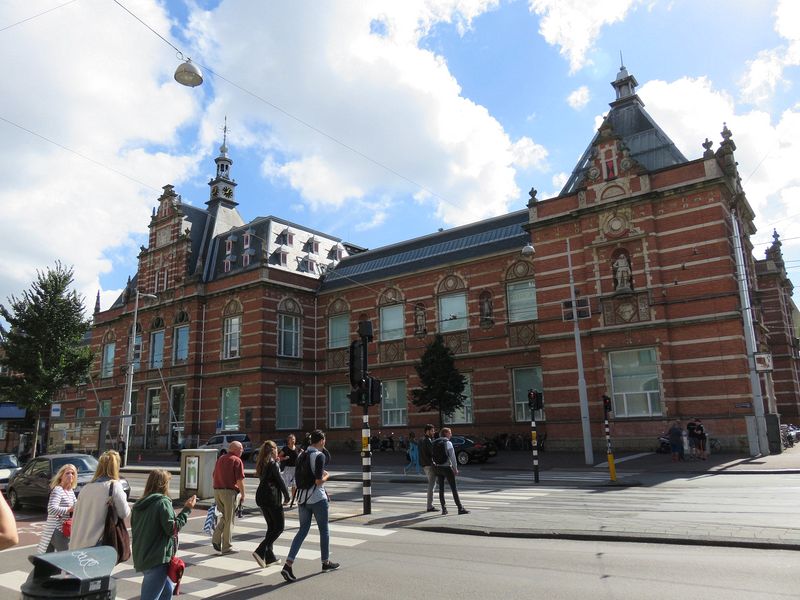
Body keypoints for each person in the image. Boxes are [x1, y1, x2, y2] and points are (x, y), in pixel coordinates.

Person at [281, 430, 339, 582]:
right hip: (317, 499)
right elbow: (318, 481)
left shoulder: (302, 455)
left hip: (302, 499)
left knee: (302, 531)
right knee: (324, 530)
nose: (325, 442)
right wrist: (327, 475)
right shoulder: (318, 456)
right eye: (324, 440)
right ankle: (325, 562)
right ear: (321, 441)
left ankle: (288, 564)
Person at [132, 469, 197, 600]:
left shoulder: (139, 504)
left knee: (167, 591)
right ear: (163, 485)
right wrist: (187, 509)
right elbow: (172, 529)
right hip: (157, 558)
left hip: (143, 555)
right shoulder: (163, 502)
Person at [70, 450, 131, 550]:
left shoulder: (86, 488)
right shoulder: (114, 486)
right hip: (99, 543)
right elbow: (124, 513)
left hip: (78, 543)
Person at [253, 440, 290, 567]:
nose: (278, 452)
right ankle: (260, 550)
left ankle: (270, 558)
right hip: (272, 498)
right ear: (273, 450)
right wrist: (287, 495)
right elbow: (280, 481)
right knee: (279, 527)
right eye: (276, 450)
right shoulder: (273, 464)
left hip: (262, 498)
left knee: (271, 527)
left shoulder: (262, 463)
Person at [212, 440, 246, 554]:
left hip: (217, 491)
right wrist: (243, 494)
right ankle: (227, 546)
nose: (243, 450)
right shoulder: (237, 460)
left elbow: (214, 475)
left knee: (225, 517)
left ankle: (216, 538)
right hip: (229, 493)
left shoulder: (220, 459)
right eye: (241, 448)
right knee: (229, 519)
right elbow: (239, 480)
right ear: (236, 450)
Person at [38, 463, 77, 553]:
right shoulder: (58, 490)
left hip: (63, 529)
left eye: (73, 473)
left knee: (46, 562)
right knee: (68, 557)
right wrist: (70, 509)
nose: (70, 475)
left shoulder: (70, 491)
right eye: (67, 473)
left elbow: (76, 506)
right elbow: (51, 509)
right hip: (56, 529)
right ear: (61, 476)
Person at [431, 428, 469, 515]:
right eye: (450, 433)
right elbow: (453, 457)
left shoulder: (435, 442)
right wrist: (455, 468)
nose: (451, 434)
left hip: (438, 468)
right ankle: (460, 508)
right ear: (446, 433)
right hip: (447, 467)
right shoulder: (448, 443)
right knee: (454, 488)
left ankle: (444, 509)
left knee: (441, 489)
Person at [418, 424, 437, 512]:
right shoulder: (428, 440)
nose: (434, 432)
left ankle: (430, 505)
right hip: (429, 465)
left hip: (424, 465)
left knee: (432, 484)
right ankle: (429, 506)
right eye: (432, 431)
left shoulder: (421, 440)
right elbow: (433, 453)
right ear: (427, 431)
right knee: (431, 485)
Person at [278, 434, 299, 508]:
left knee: (294, 484)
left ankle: (293, 500)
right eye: (291, 439)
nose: (293, 440)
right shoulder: (285, 448)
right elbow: (279, 457)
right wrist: (284, 458)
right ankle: (286, 499)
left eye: (294, 439)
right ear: (288, 440)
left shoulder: (296, 448)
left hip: (295, 468)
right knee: (286, 484)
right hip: (287, 468)